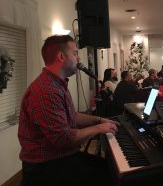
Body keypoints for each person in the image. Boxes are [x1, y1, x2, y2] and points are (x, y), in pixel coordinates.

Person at [18, 35, 119, 186]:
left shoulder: (56, 84)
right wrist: (99, 128)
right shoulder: (47, 90)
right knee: (111, 175)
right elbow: (63, 139)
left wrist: (99, 120)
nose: (79, 59)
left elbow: (72, 116)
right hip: (47, 167)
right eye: (75, 53)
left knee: (110, 169)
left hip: (58, 159)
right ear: (61, 56)